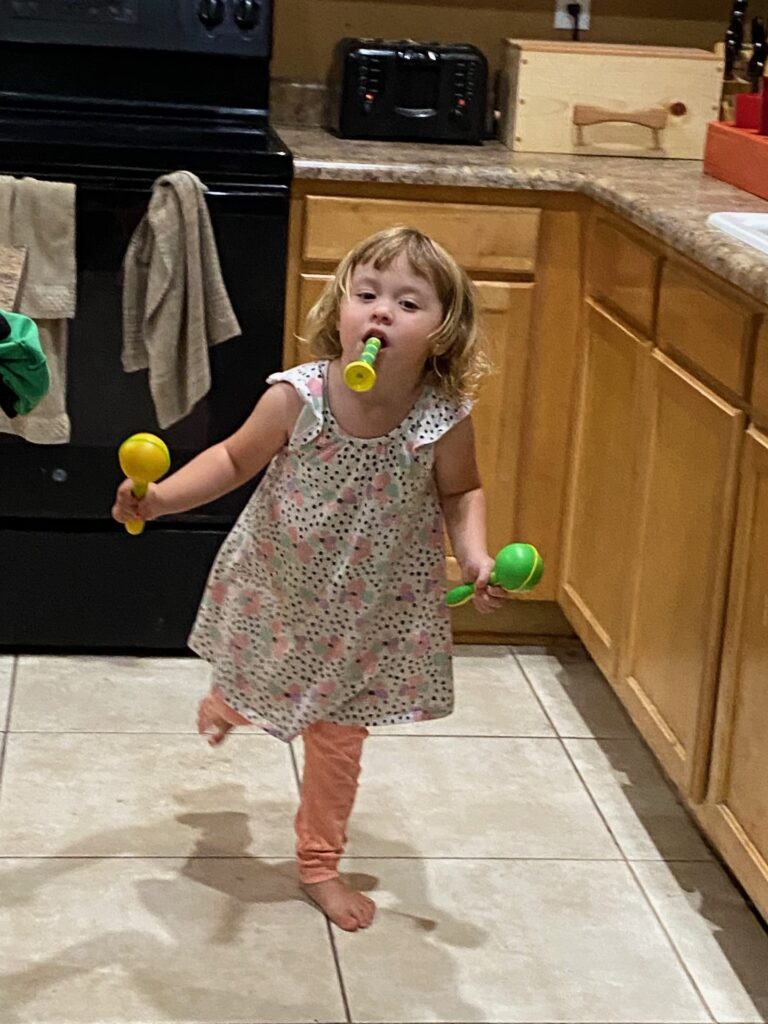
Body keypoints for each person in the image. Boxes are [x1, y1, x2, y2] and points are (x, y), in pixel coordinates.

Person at [112, 226, 502, 931]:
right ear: (341, 309)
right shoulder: (301, 396)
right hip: (283, 582)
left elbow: (460, 492)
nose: (381, 312)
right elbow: (233, 461)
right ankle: (231, 699)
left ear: (443, 333)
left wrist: (475, 556)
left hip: (371, 611)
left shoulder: (441, 419)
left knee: (337, 743)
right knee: (261, 666)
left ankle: (319, 863)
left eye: (408, 303)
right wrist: (161, 498)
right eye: (367, 294)